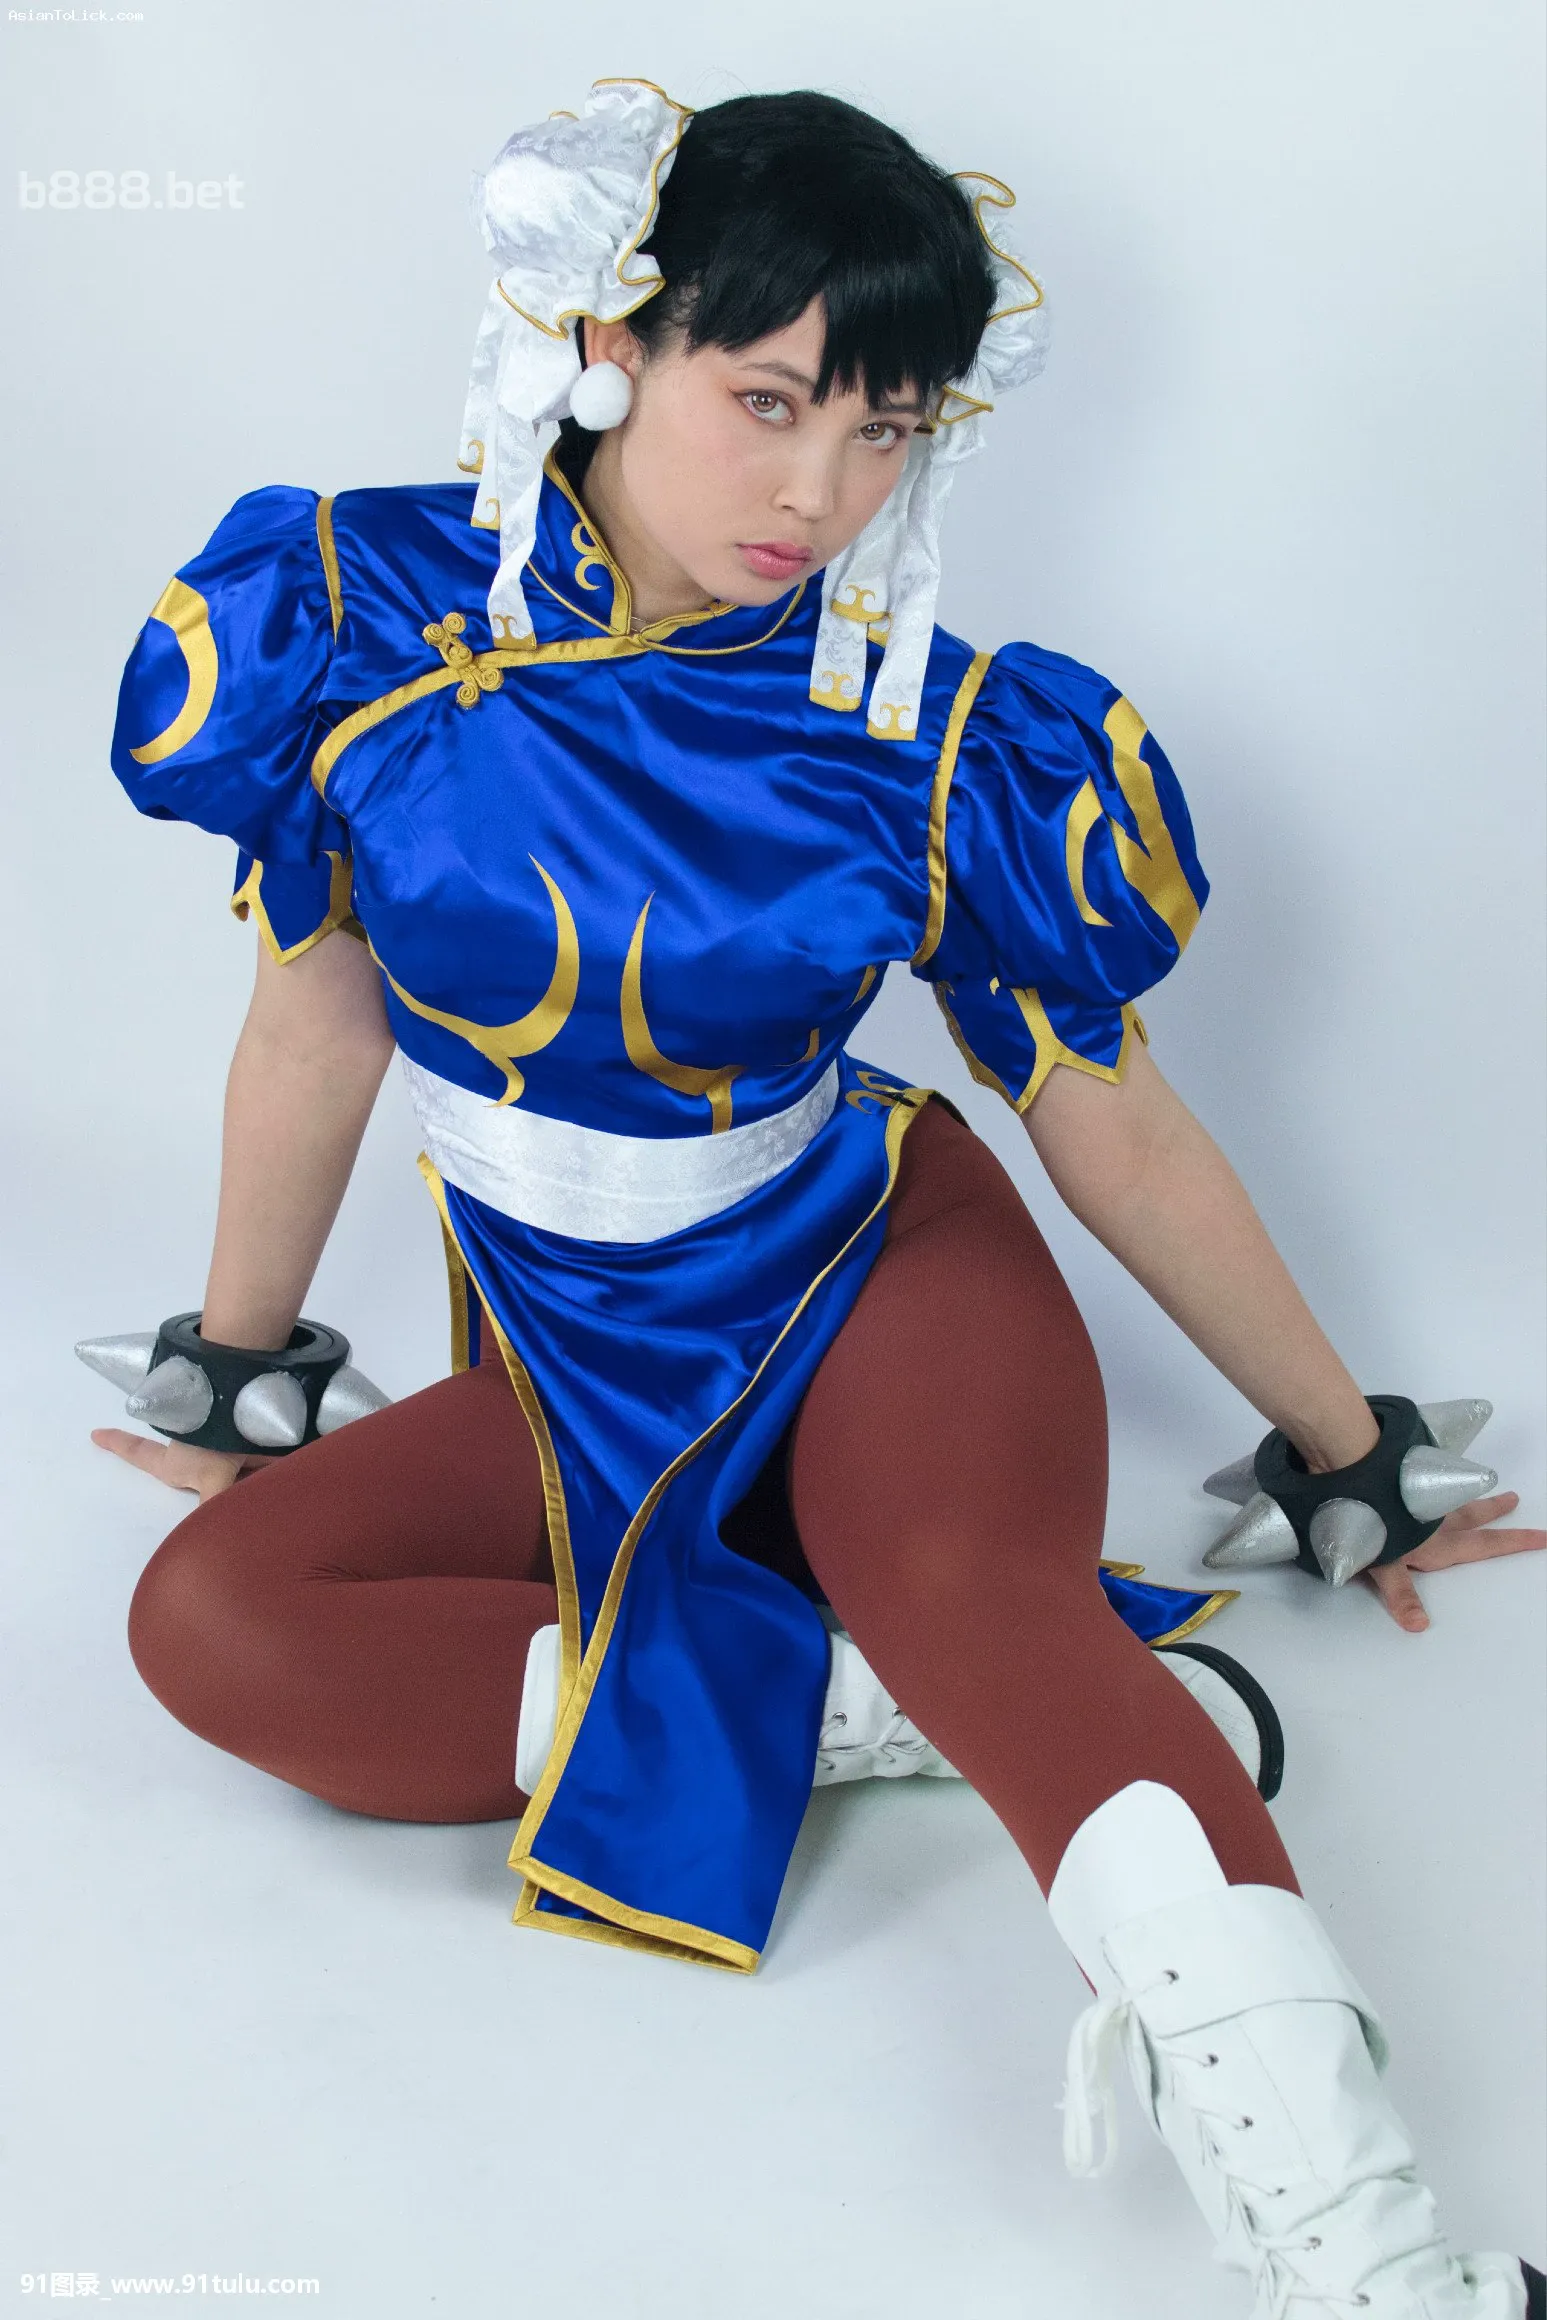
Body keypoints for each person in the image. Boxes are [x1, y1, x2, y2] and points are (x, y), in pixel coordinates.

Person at [85, 78, 1543, 2320]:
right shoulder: (356, 619)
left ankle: (1369, 2255)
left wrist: (1342, 1452)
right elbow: (315, 1027)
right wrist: (242, 1361)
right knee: (212, 1624)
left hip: (871, 1270)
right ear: (610, 342)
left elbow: (1112, 1121)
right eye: (765, 400)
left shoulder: (930, 733)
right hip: (575, 1352)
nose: (819, 492)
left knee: (983, 1595)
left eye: (885, 430)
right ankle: (871, 1698)